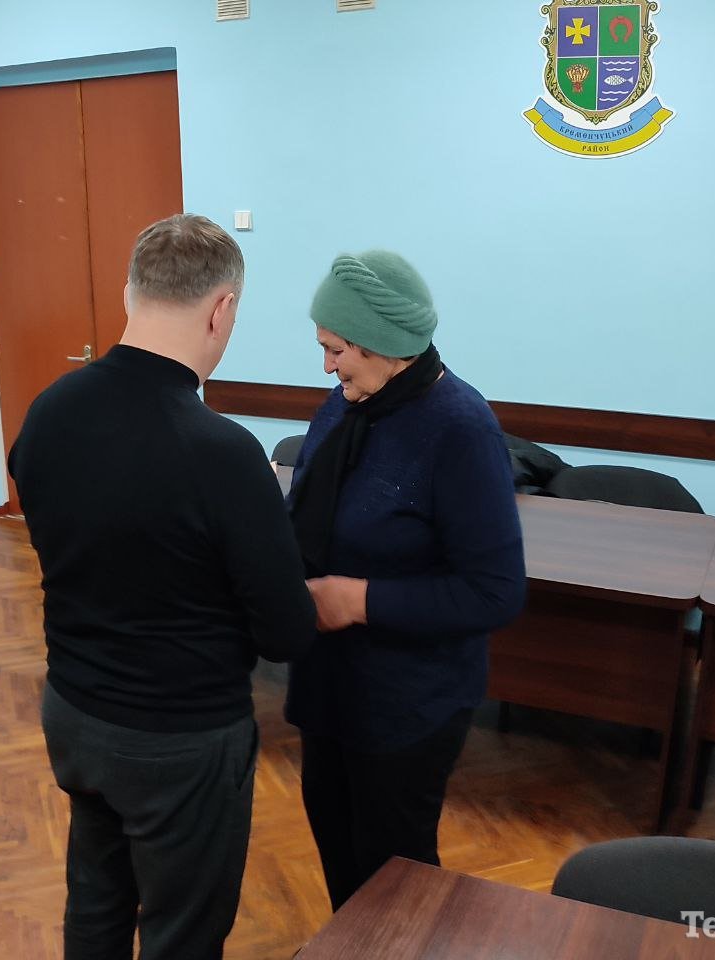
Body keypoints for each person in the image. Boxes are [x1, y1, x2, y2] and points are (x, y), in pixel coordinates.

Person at [7, 214, 316, 960]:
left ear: (129, 293)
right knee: (184, 932)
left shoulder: (50, 410)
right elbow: (285, 633)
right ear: (222, 309)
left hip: (74, 710)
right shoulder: (223, 452)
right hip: (178, 738)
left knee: (97, 902)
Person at [286, 249, 527, 910]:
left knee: (394, 877)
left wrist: (357, 600)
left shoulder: (460, 427)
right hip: (328, 682)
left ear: (383, 346)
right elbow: (308, 519)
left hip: (407, 702)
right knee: (336, 844)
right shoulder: (344, 406)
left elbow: (495, 591)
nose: (327, 366)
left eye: (336, 349)